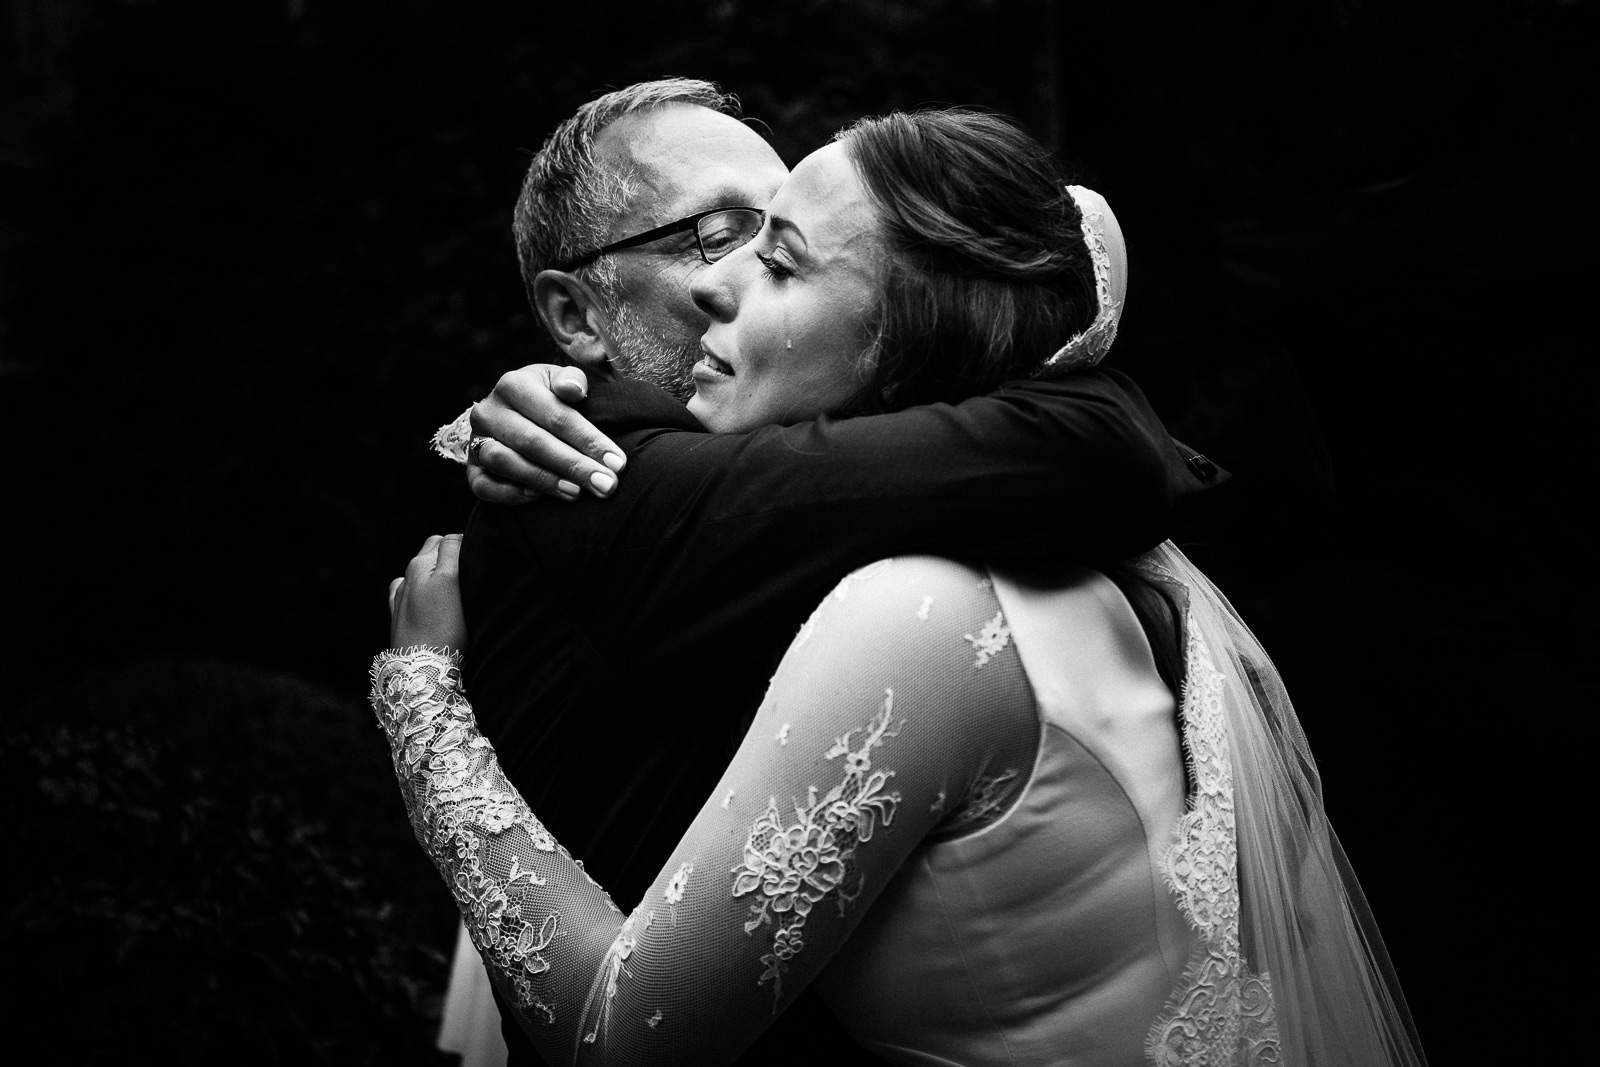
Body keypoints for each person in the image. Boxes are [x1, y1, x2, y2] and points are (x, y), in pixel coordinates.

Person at [374, 108, 1424, 1064]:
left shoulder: (920, 591)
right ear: (571, 312)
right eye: (708, 234)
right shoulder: (587, 483)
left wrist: (422, 699)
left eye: (778, 247)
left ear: (902, 322)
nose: (722, 278)